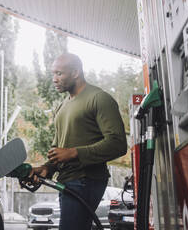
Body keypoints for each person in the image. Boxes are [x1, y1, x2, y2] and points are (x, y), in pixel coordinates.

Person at [30, 53, 127, 230]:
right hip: (67, 181)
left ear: (75, 72)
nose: (54, 79)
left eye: (59, 73)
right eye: (53, 74)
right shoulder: (63, 106)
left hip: (86, 180)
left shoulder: (99, 98)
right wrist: (47, 168)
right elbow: (59, 150)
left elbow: (118, 143)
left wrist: (74, 152)